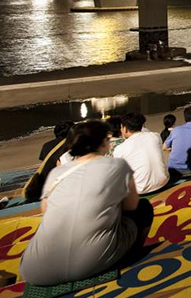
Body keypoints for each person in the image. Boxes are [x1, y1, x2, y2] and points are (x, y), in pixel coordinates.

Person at [20, 121, 154, 286]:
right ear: (103, 142)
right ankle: (130, 257)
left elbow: (46, 210)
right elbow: (131, 206)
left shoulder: (56, 173)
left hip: (35, 271)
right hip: (92, 261)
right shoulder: (117, 166)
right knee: (144, 209)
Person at [113, 112, 170, 195]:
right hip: (163, 182)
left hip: (140, 190)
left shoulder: (120, 149)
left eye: (121, 127)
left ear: (125, 129)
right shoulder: (155, 136)